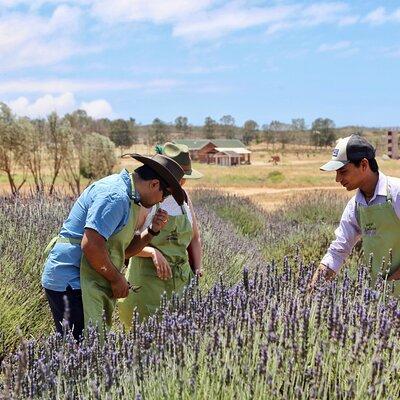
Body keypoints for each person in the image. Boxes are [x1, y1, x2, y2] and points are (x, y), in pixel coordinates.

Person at [42, 153, 186, 340]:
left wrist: (151, 231)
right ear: (154, 184)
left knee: (87, 350)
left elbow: (123, 251)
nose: (161, 200)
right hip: (71, 280)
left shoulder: (131, 198)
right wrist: (116, 278)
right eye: (164, 194)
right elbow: (91, 245)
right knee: (79, 351)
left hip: (86, 279)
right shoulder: (115, 196)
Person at [118, 143, 203, 326]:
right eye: (177, 178)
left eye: (183, 178)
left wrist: (197, 269)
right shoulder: (146, 198)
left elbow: (194, 238)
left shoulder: (184, 198)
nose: (182, 183)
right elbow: (124, 246)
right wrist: (152, 252)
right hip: (147, 286)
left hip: (181, 283)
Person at [309, 134, 400, 297]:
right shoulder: (355, 206)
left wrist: (391, 282)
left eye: (343, 171)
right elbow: (337, 251)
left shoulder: (397, 194)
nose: (338, 179)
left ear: (364, 164)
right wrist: (312, 291)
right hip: (379, 303)